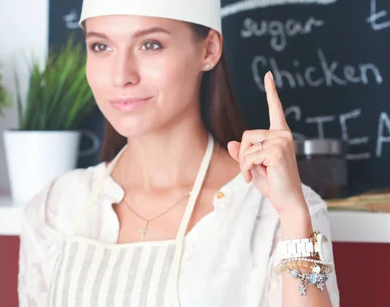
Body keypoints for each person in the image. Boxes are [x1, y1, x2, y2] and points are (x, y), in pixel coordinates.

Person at [17, 0, 340, 306]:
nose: (121, 76)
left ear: (209, 49)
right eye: (101, 46)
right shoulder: (55, 208)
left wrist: (294, 216)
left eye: (150, 44)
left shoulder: (274, 211)